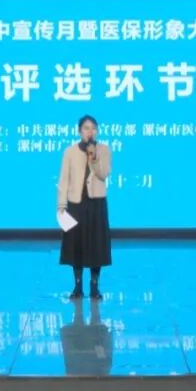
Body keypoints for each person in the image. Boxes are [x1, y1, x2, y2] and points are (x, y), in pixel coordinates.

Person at [57, 114, 112, 299]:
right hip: (76, 204)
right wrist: (61, 205)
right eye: (86, 128)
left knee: (97, 245)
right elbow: (64, 180)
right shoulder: (70, 152)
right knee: (76, 245)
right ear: (79, 131)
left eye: (93, 128)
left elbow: (103, 174)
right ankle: (77, 286)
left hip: (97, 203)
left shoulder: (104, 150)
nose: (90, 131)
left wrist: (93, 156)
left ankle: (94, 285)